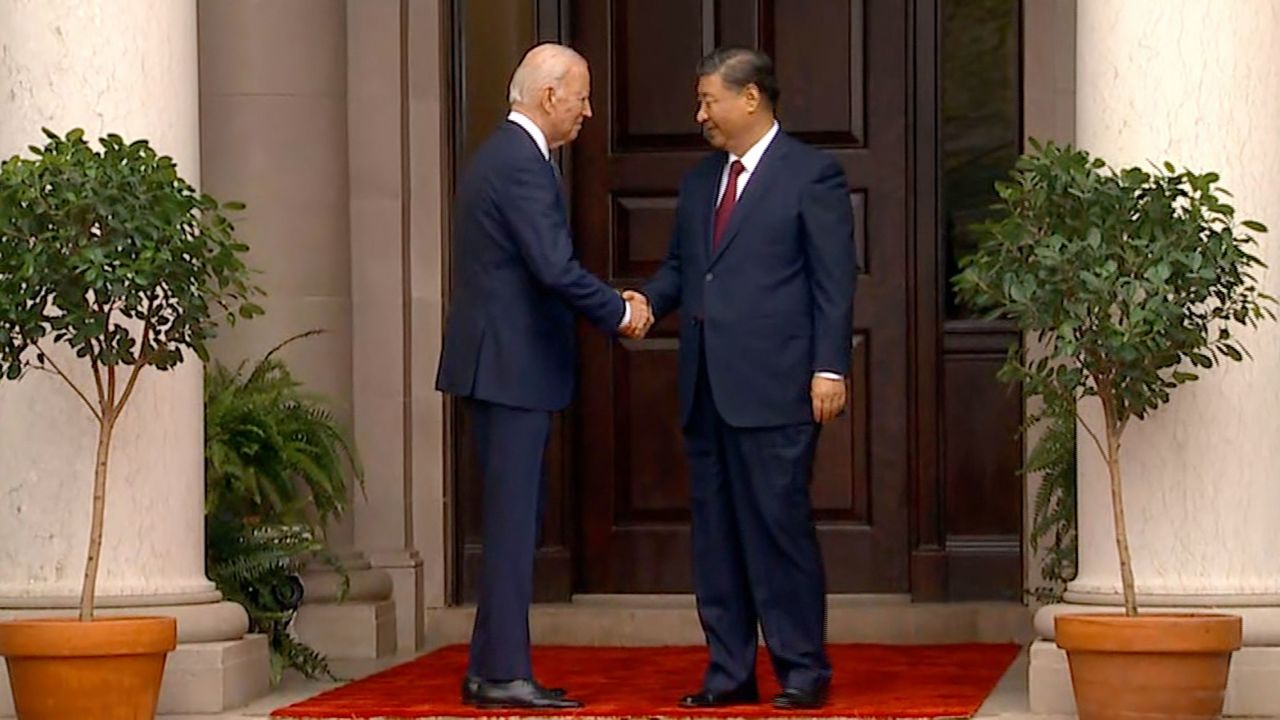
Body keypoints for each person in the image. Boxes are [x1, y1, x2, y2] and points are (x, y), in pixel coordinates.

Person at [629, 46, 856, 710]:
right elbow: (681, 267)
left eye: (708, 100)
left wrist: (829, 367)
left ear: (749, 97)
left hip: (778, 387)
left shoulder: (812, 175)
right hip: (706, 390)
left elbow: (832, 283)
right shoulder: (701, 181)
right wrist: (643, 303)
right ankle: (728, 673)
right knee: (717, 540)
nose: (700, 114)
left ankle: (801, 672)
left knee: (778, 531)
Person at [435, 42, 651, 710]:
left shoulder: (501, 155)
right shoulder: (522, 165)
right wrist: (620, 309)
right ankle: (502, 673)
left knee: (512, 523)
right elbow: (553, 268)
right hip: (510, 368)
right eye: (582, 96)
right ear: (549, 94)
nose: (588, 111)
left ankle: (490, 666)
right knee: (511, 525)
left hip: (499, 366)